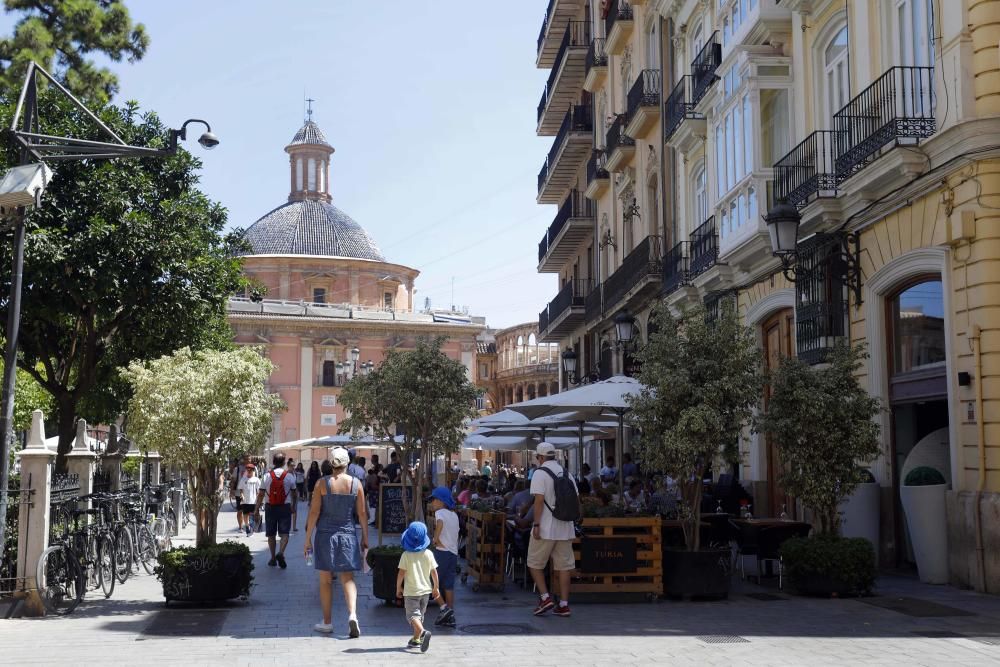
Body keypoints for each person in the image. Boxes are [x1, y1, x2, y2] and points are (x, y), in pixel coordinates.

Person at [304, 447, 367, 637]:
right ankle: (353, 615)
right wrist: (365, 536)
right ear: (347, 463)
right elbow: (362, 513)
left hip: (325, 534)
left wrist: (307, 539)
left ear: (331, 463)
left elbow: (314, 512)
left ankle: (327, 621)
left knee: (325, 581)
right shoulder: (356, 484)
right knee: (348, 579)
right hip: (348, 533)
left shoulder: (322, 484)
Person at [527, 442, 579, 617]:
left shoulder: (539, 473)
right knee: (564, 566)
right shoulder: (567, 473)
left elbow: (539, 501)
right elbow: (576, 499)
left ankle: (545, 597)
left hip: (546, 528)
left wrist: (536, 524)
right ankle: (564, 604)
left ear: (540, 457)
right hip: (565, 527)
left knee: (534, 563)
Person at [396, 522, 439, 653]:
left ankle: (422, 632)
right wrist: (436, 587)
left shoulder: (406, 555)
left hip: (411, 592)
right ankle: (416, 638)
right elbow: (434, 572)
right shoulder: (429, 554)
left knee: (412, 616)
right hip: (425, 591)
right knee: (419, 616)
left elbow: (401, 573)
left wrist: (398, 587)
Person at [254, 453, 298, 568]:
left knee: (271, 534)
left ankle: (273, 558)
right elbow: (294, 494)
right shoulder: (289, 476)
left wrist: (256, 509)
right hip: (285, 508)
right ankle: (281, 552)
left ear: (273, 462)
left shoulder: (266, 476)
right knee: (285, 533)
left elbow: (261, 494)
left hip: (270, 507)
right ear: (284, 463)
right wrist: (293, 506)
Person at [427, 486, 459, 628]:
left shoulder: (440, 513)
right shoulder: (454, 515)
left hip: (441, 552)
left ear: (441, 501)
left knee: (433, 583)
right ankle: (450, 613)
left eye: (433, 500)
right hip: (453, 553)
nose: (432, 503)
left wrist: (435, 538)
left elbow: (439, 524)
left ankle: (443, 608)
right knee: (449, 584)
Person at [237, 463, 260, 536]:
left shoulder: (256, 480)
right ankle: (247, 526)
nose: (249, 471)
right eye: (248, 469)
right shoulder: (243, 479)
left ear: (253, 471)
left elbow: (259, 491)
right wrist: (241, 495)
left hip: (254, 501)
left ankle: (252, 528)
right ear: (246, 470)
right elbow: (240, 489)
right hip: (245, 501)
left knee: (252, 515)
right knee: (245, 514)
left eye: (251, 470)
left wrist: (259, 500)